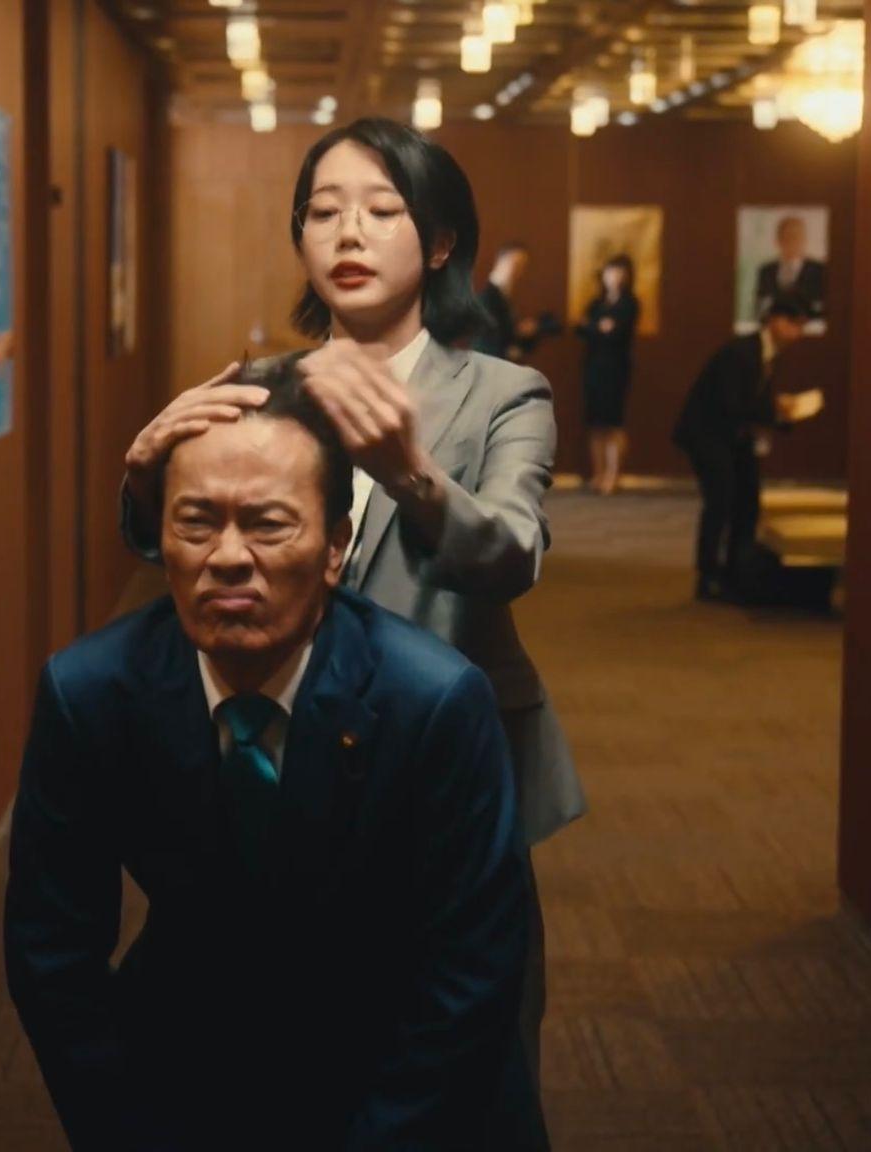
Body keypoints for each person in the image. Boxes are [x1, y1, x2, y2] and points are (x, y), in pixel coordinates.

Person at [116, 116, 584, 1130]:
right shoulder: (260, 387)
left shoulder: (504, 393)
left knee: (476, 1040)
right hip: (288, 750)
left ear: (441, 241)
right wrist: (144, 479)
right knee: (284, 1040)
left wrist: (411, 473)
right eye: (322, 213)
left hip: (450, 760)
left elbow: (511, 554)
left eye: (380, 210)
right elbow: (194, 549)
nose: (349, 233)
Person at [6, 367, 540, 1151]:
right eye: (196, 522)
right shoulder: (90, 693)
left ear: (335, 549)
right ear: (159, 538)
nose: (228, 557)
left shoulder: (433, 702)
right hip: (189, 1053)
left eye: (267, 525)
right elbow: (51, 956)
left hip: (397, 1066)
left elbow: (472, 973)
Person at [672, 292, 823, 601]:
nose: (798, 333)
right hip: (708, 434)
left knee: (747, 501)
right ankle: (708, 575)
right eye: (794, 324)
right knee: (721, 501)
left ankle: (735, 571)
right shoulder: (741, 352)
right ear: (775, 321)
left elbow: (751, 401)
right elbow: (732, 403)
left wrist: (778, 412)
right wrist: (777, 412)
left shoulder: (765, 353)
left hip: (733, 437)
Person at [573, 254, 640, 495]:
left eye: (620, 272)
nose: (615, 277)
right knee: (595, 424)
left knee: (613, 424)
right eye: (611, 271)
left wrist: (595, 327)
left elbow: (615, 333)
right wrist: (598, 327)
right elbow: (581, 328)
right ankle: (599, 473)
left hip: (616, 368)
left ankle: (613, 475)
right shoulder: (597, 303)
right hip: (593, 367)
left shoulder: (629, 303)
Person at [753, 214, 828, 323]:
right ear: (778, 240)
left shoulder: (819, 270)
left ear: (804, 240)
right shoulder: (766, 271)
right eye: (787, 237)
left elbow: (823, 309)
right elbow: (759, 309)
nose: (792, 242)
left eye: (796, 237)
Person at [474, 241, 541, 363]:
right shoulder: (486, 296)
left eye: (522, 266)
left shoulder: (504, 296)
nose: (519, 270)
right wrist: (512, 350)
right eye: (515, 263)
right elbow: (486, 342)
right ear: (501, 261)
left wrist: (521, 331)